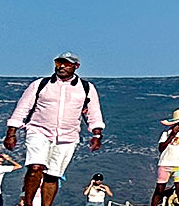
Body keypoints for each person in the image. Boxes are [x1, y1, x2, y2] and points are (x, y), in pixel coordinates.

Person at [7, 53, 106, 206]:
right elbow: (22, 108)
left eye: (67, 63)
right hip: (39, 131)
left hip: (68, 137)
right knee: (35, 167)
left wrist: (96, 135)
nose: (62, 66)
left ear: (76, 66)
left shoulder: (86, 88)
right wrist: (11, 133)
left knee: (53, 176)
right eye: (59, 62)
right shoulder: (40, 84)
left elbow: (94, 113)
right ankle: (28, 203)